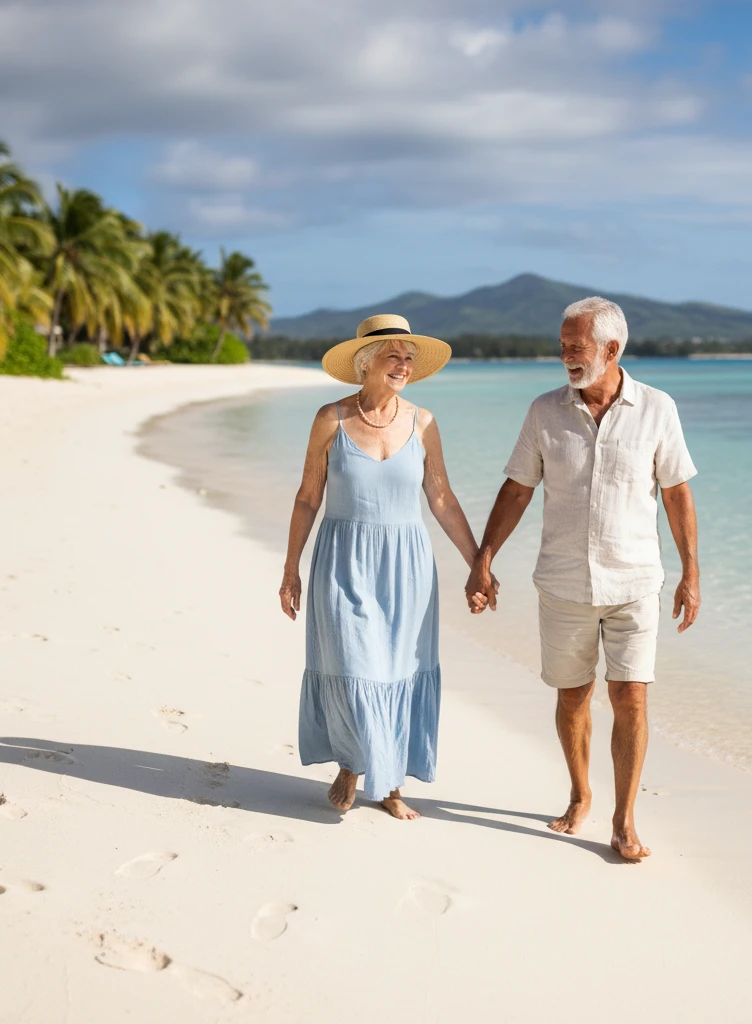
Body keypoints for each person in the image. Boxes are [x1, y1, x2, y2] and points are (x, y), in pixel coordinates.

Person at [466, 297, 700, 860]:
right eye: (564, 345)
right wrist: (484, 557)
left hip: (636, 583)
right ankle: (579, 794)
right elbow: (518, 488)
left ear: (612, 350)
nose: (566, 355)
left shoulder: (657, 408)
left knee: (631, 698)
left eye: (577, 346)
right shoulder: (545, 411)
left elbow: (677, 493)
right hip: (565, 582)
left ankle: (623, 820)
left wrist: (691, 573)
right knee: (573, 698)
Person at [280, 314, 485, 820]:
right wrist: (291, 569)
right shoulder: (331, 419)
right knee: (354, 665)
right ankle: (353, 763)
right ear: (366, 362)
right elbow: (309, 496)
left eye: (409, 357)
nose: (404, 365)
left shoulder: (424, 422)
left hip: (407, 568)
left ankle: (389, 782)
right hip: (343, 562)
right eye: (394, 355)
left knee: (397, 671)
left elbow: (441, 498)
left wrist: (478, 563)